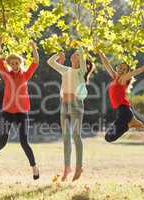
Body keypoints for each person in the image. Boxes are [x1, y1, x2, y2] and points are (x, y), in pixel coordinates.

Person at [0, 37, 40, 180]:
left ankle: (34, 167)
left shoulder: (25, 75)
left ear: (20, 63)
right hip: (7, 112)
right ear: (9, 64)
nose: (14, 65)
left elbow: (36, 62)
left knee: (24, 142)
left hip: (22, 112)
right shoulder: (6, 74)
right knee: (2, 141)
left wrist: (33, 47)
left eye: (17, 62)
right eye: (12, 63)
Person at [47, 48, 95, 181]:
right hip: (64, 104)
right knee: (65, 137)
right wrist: (58, 55)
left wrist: (80, 46)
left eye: (78, 55)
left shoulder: (81, 72)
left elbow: (84, 58)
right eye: (74, 54)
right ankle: (67, 167)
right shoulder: (66, 70)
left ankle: (79, 166)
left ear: (81, 60)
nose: (74, 55)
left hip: (76, 105)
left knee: (76, 135)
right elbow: (50, 62)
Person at [97, 50, 144, 142]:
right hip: (123, 111)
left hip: (124, 111)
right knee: (109, 137)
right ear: (117, 68)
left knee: (108, 137)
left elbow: (130, 75)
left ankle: (130, 124)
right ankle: (132, 122)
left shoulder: (122, 80)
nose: (121, 70)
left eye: (124, 70)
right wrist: (101, 53)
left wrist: (141, 69)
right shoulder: (115, 78)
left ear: (126, 72)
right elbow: (107, 65)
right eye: (120, 68)